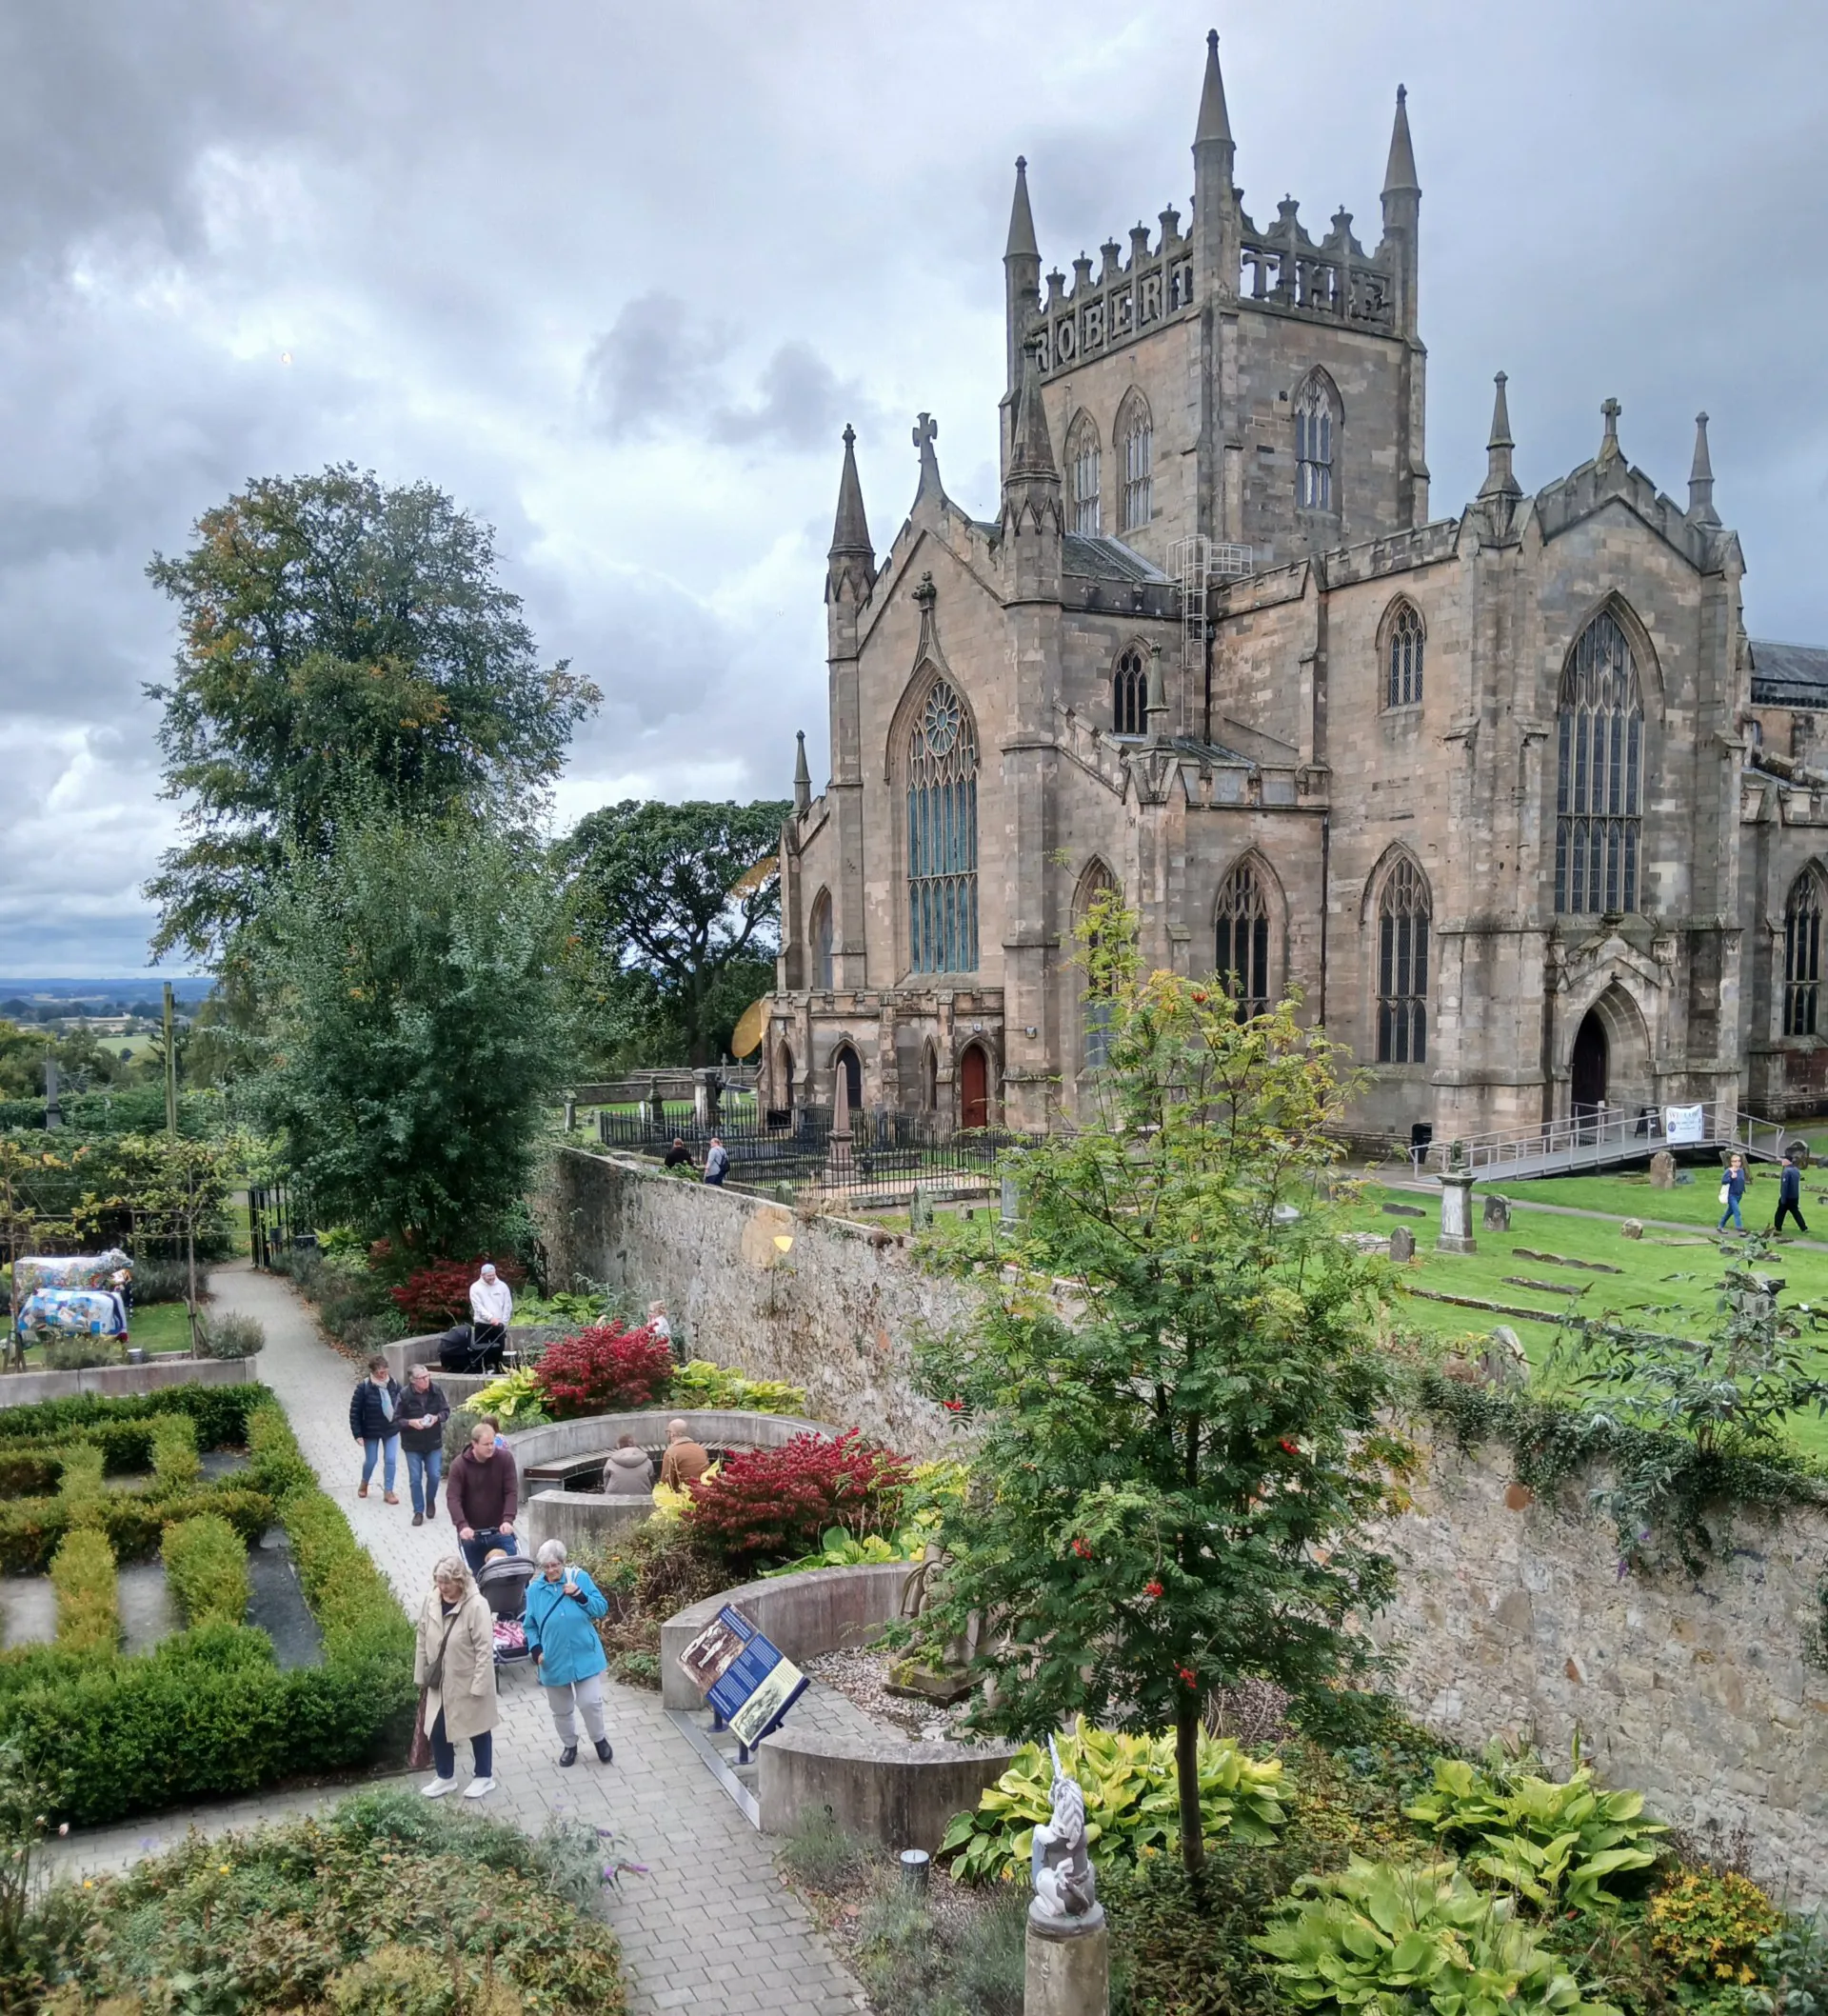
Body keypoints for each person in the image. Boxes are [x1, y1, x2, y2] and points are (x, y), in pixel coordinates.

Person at [524, 1539, 615, 1768]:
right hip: (552, 1658)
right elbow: (530, 1625)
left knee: (590, 1702)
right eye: (546, 1567)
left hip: (584, 1652)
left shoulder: (579, 1578)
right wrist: (536, 1649)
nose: (551, 1571)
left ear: (563, 1563)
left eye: (555, 1565)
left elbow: (601, 1608)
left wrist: (580, 1595)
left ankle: (599, 1739)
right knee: (561, 1709)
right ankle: (569, 1745)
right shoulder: (534, 1590)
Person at [414, 1556, 498, 1800]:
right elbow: (421, 1635)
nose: (441, 1587)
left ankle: (484, 1776)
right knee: (437, 1728)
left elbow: (484, 1648)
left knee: (478, 1727)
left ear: (460, 1581)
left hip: (467, 1679)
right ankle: (445, 1777)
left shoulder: (477, 1605)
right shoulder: (431, 1600)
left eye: (446, 1583)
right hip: (440, 1681)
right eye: (438, 1582)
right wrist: (421, 1674)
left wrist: (480, 1685)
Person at [447, 1417, 519, 1572]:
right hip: (472, 1533)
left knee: (512, 1572)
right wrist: (462, 1525)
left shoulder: (505, 1459)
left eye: (492, 1443)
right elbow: (453, 1498)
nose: (491, 1447)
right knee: (479, 1576)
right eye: (486, 1444)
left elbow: (511, 1491)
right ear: (474, 1444)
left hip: (500, 1529)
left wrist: (508, 1519)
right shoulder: (459, 1466)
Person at [397, 1365, 450, 1528]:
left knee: (434, 1475)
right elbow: (396, 1420)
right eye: (422, 1378)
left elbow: (446, 1411)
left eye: (428, 1376)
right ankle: (418, 1511)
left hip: (433, 1442)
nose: (427, 1380)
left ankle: (430, 1500)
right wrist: (410, 1422)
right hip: (412, 1444)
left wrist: (436, 1418)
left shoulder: (436, 1390)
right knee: (415, 1479)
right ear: (413, 1380)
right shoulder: (404, 1394)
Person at [348, 1355, 402, 1504]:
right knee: (371, 1460)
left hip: (390, 1428)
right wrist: (357, 1434)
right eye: (380, 1372)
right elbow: (355, 1412)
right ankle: (364, 1482)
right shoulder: (364, 1387)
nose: (383, 1375)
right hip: (371, 1430)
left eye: (385, 1371)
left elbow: (403, 1402)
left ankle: (388, 1491)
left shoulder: (394, 1384)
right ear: (372, 1372)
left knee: (390, 1459)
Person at [469, 1262, 514, 1361]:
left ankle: (498, 1367)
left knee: (498, 1351)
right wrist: (490, 1318)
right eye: (489, 1276)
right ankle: (484, 1368)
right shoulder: (475, 1288)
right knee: (482, 1352)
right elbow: (477, 1306)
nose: (492, 1278)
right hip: (482, 1325)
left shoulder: (502, 1286)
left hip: (499, 1325)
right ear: (482, 1275)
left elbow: (508, 1305)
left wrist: (504, 1322)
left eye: (493, 1275)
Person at [660, 1417, 710, 1490]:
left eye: (667, 1432)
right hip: (706, 1491)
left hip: (686, 1494)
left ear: (672, 1434)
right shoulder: (701, 1449)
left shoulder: (671, 1453)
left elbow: (666, 1484)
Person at [1775, 1148, 1810, 1237]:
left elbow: (1784, 1186)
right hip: (1795, 1196)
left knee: (1780, 1212)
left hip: (1787, 1197)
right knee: (1796, 1212)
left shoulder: (1786, 1171)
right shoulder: (1796, 1170)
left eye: (1783, 1160)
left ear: (1787, 1161)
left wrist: (1783, 1199)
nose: (1782, 1161)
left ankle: (1777, 1228)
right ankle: (1804, 1228)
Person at [1718, 1151, 1749, 1233]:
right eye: (1735, 1161)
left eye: (1739, 1161)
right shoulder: (1729, 1171)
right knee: (1737, 1211)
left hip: (1739, 1195)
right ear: (1732, 1163)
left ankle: (1720, 1226)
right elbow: (1723, 1181)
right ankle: (1739, 1228)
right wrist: (1731, 1177)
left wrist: (1743, 1190)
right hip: (1731, 1195)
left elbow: (1741, 1181)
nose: (1737, 1162)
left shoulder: (1741, 1171)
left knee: (1729, 1212)